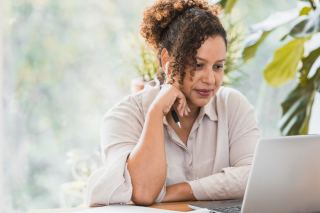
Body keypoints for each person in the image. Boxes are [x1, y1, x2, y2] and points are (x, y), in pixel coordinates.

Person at [88, 0, 262, 207]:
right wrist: (155, 113)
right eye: (198, 65)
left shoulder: (232, 105)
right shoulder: (123, 117)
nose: (210, 79)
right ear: (166, 61)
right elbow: (143, 192)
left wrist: (177, 191)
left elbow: (255, 176)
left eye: (218, 66)